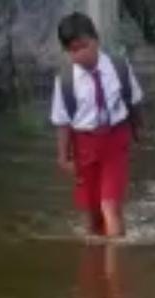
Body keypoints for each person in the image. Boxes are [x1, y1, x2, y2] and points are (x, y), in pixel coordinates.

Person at [51, 12, 144, 238]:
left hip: (115, 139)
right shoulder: (65, 81)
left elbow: (134, 100)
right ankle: (95, 265)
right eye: (73, 50)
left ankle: (114, 270)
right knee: (92, 214)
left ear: (96, 39)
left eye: (84, 46)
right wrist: (63, 157)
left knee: (110, 206)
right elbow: (63, 122)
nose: (80, 54)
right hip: (84, 146)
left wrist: (138, 130)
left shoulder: (119, 67)